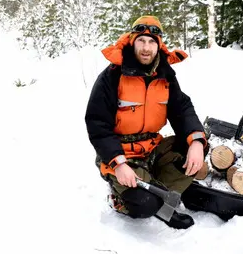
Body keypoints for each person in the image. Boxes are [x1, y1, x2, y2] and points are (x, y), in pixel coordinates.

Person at [85, 15, 208, 230]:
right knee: (144, 205)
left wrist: (197, 142)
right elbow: (98, 124)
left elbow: (182, 110)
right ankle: (124, 198)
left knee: (195, 146)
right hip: (121, 154)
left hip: (151, 148)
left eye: (152, 42)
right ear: (132, 41)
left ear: (159, 45)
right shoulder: (113, 76)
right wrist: (119, 164)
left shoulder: (165, 75)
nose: (146, 48)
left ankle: (158, 188)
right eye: (141, 40)